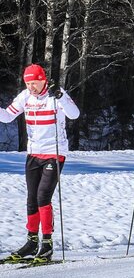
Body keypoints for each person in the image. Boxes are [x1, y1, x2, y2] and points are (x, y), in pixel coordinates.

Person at [1, 64, 80, 262]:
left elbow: (74, 114)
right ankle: (31, 242)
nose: (31, 87)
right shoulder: (25, 96)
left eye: (34, 83)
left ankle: (47, 244)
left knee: (43, 197)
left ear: (43, 80)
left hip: (54, 153)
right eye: (28, 84)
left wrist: (60, 97)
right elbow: (8, 117)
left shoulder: (55, 94)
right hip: (33, 153)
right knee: (31, 199)